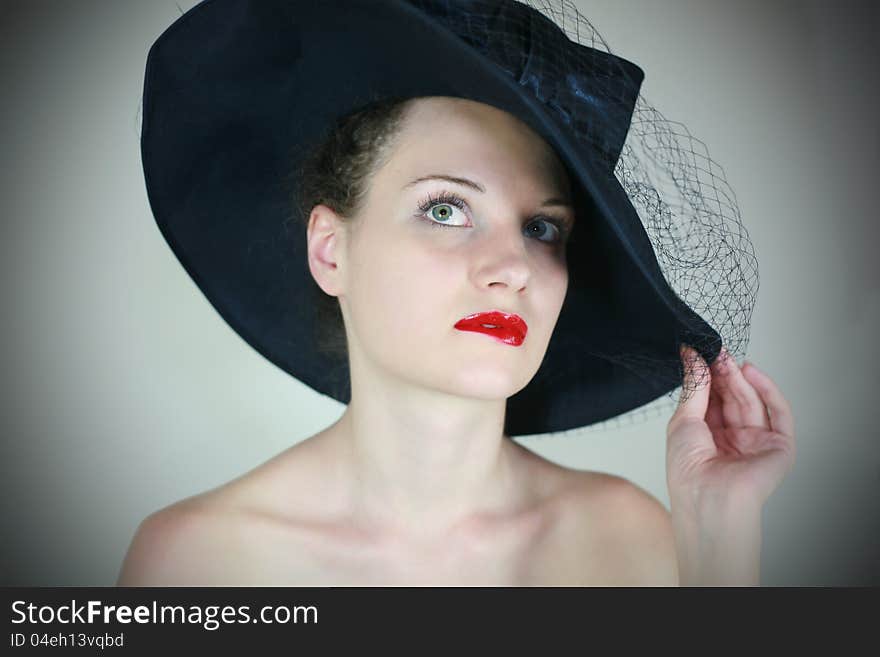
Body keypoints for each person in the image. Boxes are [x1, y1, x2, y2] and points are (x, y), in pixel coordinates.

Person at [118, 0, 795, 586]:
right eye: (445, 209)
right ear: (330, 249)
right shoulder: (196, 561)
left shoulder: (627, 539)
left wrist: (718, 541)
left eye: (541, 227)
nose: (514, 267)